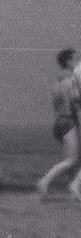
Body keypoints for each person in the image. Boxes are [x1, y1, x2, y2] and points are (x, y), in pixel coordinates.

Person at [37, 48, 81, 201]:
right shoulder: (71, 80)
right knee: (72, 160)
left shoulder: (57, 81)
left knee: (74, 157)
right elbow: (75, 101)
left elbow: (56, 104)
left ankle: (75, 192)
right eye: (75, 59)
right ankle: (45, 181)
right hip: (69, 122)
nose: (77, 62)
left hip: (59, 122)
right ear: (68, 62)